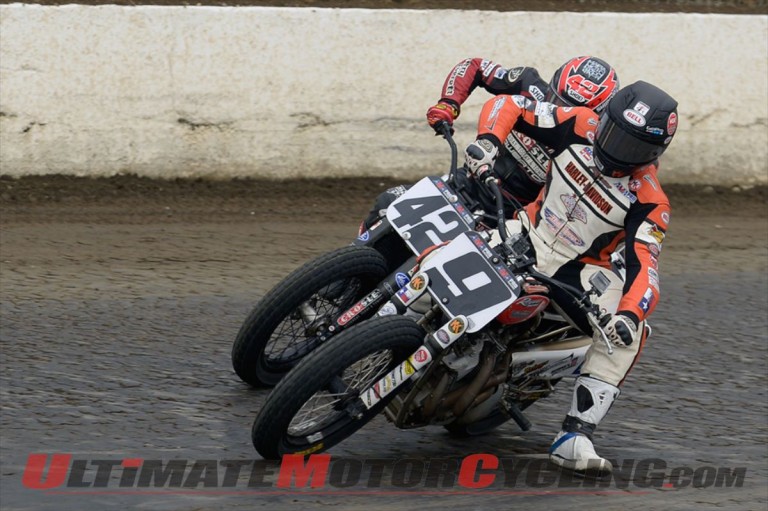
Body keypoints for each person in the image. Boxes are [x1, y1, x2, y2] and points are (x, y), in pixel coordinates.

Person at [463, 81, 677, 475]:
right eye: (613, 134)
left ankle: (575, 435)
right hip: (526, 231)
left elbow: (646, 266)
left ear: (654, 154)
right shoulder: (577, 122)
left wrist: (629, 315)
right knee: (448, 239)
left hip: (578, 270)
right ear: (605, 117)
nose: (616, 151)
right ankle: (367, 316)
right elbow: (510, 104)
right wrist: (489, 142)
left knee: (635, 333)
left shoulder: (650, 200)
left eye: (634, 149)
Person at [360, 56, 620, 231]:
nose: (558, 111)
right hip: (466, 183)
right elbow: (475, 66)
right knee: (389, 204)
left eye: (571, 109)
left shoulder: (594, 145)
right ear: (551, 86)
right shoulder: (529, 84)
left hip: (513, 220)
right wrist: (449, 102)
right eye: (556, 99)